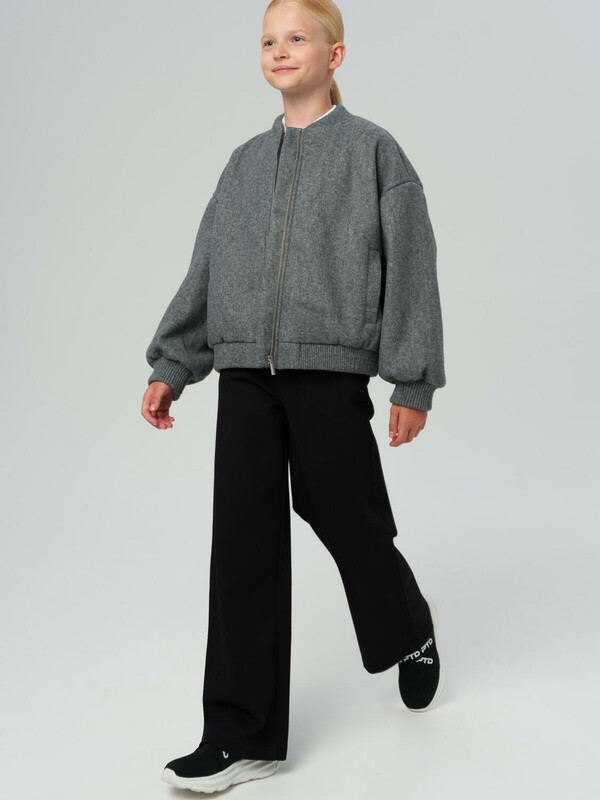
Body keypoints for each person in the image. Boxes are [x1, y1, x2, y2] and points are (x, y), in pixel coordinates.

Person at [141, 0, 447, 793]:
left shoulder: (373, 151)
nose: (279, 51)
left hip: (328, 369)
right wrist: (174, 362)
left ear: (334, 55)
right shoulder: (243, 162)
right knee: (242, 542)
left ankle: (408, 626)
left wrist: (412, 377)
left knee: (347, 515)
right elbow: (207, 266)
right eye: (268, 41)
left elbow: (412, 264)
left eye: (297, 38)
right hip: (245, 369)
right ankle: (239, 735)